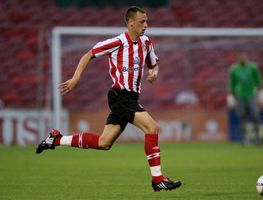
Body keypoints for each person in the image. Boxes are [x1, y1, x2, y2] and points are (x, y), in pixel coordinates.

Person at [36, 6, 181, 191]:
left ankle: (56, 139)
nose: (146, 25)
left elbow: (153, 65)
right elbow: (89, 54)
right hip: (120, 96)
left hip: (130, 98)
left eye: (147, 21)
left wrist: (153, 73)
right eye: (142, 21)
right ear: (130, 23)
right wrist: (76, 78)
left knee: (104, 143)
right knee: (152, 128)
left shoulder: (146, 43)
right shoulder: (117, 42)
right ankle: (157, 179)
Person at [227, 51, 263, 146]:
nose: (242, 58)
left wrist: (261, 92)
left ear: (246, 57)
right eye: (240, 57)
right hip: (239, 96)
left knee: (255, 116)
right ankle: (244, 139)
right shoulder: (234, 69)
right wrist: (231, 95)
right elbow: (232, 83)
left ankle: (258, 138)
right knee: (241, 118)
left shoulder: (253, 67)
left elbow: (258, 80)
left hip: (252, 95)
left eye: (243, 56)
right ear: (237, 58)